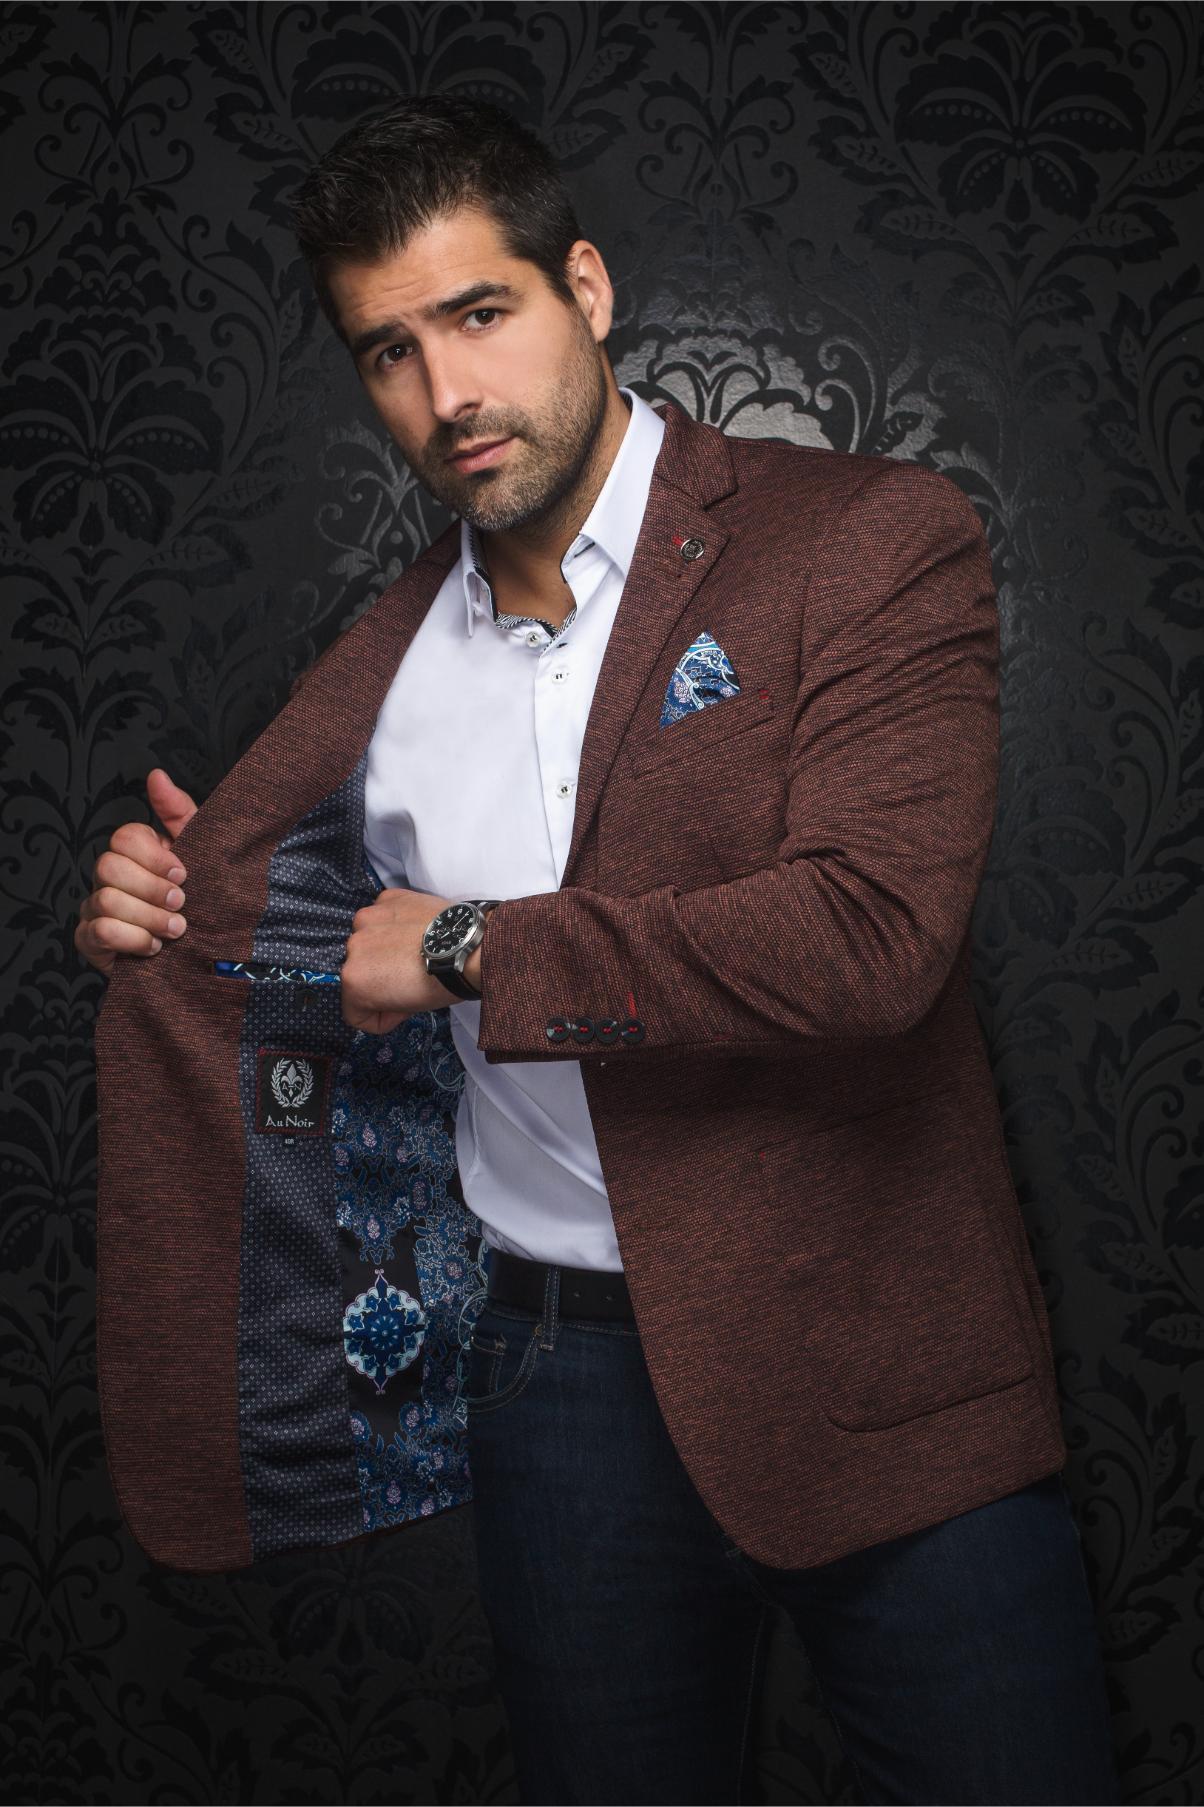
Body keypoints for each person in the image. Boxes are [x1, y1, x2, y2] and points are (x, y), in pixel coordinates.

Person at [77, 96, 1121, 1807]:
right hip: (554, 1374)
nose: (448, 393)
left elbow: (871, 936)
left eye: (480, 314)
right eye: (390, 352)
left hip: (876, 1342)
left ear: (586, 287)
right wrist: (162, 909)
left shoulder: (868, 537)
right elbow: (277, 932)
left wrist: (473, 946)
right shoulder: (383, 665)